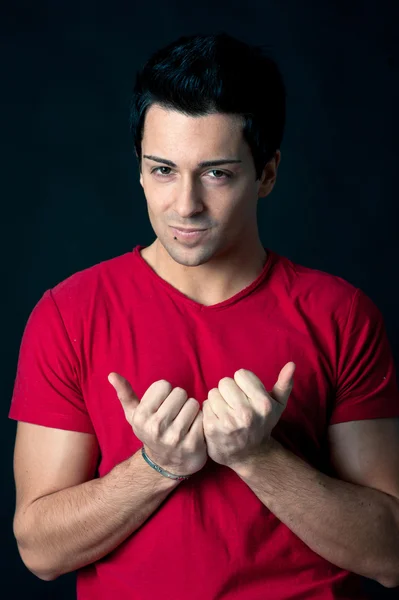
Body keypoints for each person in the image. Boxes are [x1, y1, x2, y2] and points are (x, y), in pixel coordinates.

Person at [9, 32, 399, 600]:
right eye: (163, 170)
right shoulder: (69, 314)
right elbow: (40, 552)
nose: (185, 204)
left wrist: (258, 457)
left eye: (217, 173)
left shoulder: (341, 315)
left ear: (265, 174)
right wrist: (158, 467)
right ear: (140, 169)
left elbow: (390, 553)